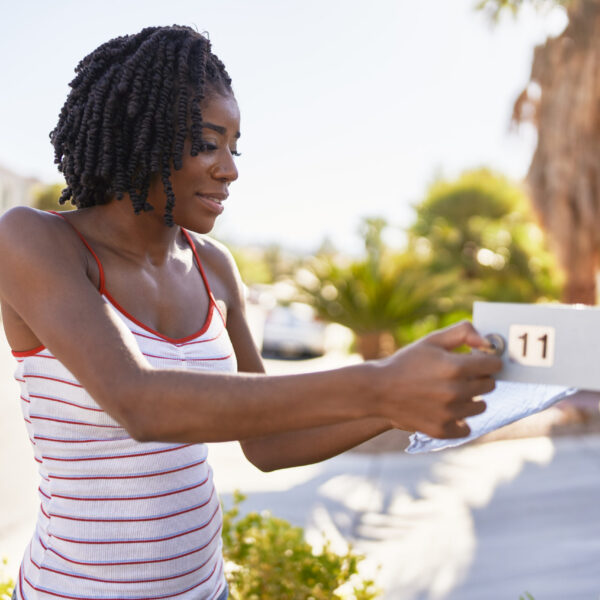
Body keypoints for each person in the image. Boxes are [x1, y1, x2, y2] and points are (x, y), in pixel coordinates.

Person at [0, 25, 502, 600]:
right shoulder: (36, 241)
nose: (229, 169)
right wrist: (378, 387)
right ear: (142, 134)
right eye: (208, 143)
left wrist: (406, 403)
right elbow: (139, 403)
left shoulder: (215, 267)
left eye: (234, 148)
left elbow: (267, 444)